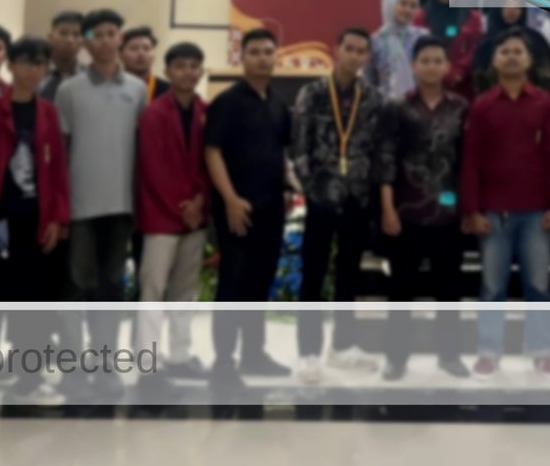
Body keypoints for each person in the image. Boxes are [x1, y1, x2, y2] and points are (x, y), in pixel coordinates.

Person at [0, 36, 69, 420]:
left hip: (34, 223)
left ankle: (28, 382)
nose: (31, 70)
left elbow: (57, 170)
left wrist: (57, 218)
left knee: (33, 308)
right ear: (11, 66)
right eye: (24, 62)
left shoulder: (48, 113)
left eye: (39, 63)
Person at [460, 27, 550, 380]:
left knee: (539, 286)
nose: (510, 57)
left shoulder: (544, 103)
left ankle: (543, 352)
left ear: (529, 60)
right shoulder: (482, 105)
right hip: (494, 213)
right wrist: (472, 210)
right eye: (504, 52)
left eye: (517, 52)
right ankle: (488, 353)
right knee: (493, 288)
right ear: (494, 61)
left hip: (536, 212)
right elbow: (471, 161)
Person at [55, 8, 148, 399]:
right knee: (75, 288)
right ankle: (74, 368)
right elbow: (60, 152)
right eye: (98, 34)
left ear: (120, 39)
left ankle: (106, 365)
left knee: (111, 288)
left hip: (121, 207)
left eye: (113, 33)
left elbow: (143, 149)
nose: (106, 40)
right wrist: (60, 209)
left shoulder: (138, 90)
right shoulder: (69, 90)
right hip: (80, 209)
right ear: (86, 41)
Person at [291, 27, 388, 383]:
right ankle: (308, 351)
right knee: (313, 275)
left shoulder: (373, 98)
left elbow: (378, 149)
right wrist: (312, 188)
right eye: (350, 48)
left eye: (362, 51)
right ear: (337, 50)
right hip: (322, 197)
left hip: (356, 198)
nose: (355, 56)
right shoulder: (313, 93)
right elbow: (299, 146)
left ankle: (343, 346)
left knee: (348, 275)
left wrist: (369, 190)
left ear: (367, 57)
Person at [204, 28, 293, 392]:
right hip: (237, 209)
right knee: (233, 284)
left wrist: (288, 188)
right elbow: (212, 152)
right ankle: (223, 362)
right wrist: (229, 198)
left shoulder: (279, 103)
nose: (261, 58)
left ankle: (253, 354)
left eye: (267, 52)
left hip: (271, 207)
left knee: (260, 283)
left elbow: (280, 152)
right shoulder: (227, 102)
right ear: (242, 58)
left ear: (276, 57)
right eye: (254, 52)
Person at [377, 37, 470, 381]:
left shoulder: (461, 107)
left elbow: (467, 163)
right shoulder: (397, 106)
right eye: (425, 60)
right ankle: (396, 357)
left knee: (450, 290)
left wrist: (468, 208)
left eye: (437, 60)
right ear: (414, 66)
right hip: (406, 214)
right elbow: (386, 159)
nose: (431, 66)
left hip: (448, 216)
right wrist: (387, 208)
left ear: (447, 66)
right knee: (401, 290)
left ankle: (450, 355)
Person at [135, 42, 210, 399]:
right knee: (153, 292)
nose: (188, 72)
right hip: (161, 214)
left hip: (195, 215)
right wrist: (184, 205)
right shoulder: (153, 113)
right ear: (167, 71)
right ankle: (147, 365)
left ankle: (180, 355)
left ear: (201, 71)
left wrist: (200, 200)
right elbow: (154, 168)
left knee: (184, 291)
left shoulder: (206, 111)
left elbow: (210, 162)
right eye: (181, 66)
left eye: (194, 66)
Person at [415, 0, 485, 98]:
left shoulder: (472, 17)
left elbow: (476, 47)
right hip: (428, 82)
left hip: (461, 83)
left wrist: (459, 70)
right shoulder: (421, 17)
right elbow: (416, 47)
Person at [472, 5, 550, 93]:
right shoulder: (486, 43)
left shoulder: (535, 40)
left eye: (517, 7)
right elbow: (480, 77)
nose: (512, 11)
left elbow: (546, 75)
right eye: (507, 7)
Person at [367, 0, 427, 99]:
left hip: (418, 103)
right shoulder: (376, 40)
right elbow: (369, 78)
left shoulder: (422, 37)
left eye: (413, 6)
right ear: (390, 4)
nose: (408, 10)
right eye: (403, 4)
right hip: (385, 103)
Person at [39, 10, 86, 102]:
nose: (70, 40)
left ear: (83, 41)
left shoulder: (90, 77)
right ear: (50, 37)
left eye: (76, 35)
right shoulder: (35, 73)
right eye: (63, 33)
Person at [122, 27, 168, 101]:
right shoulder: (111, 87)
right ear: (120, 54)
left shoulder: (168, 91)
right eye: (134, 48)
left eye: (146, 48)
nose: (141, 53)